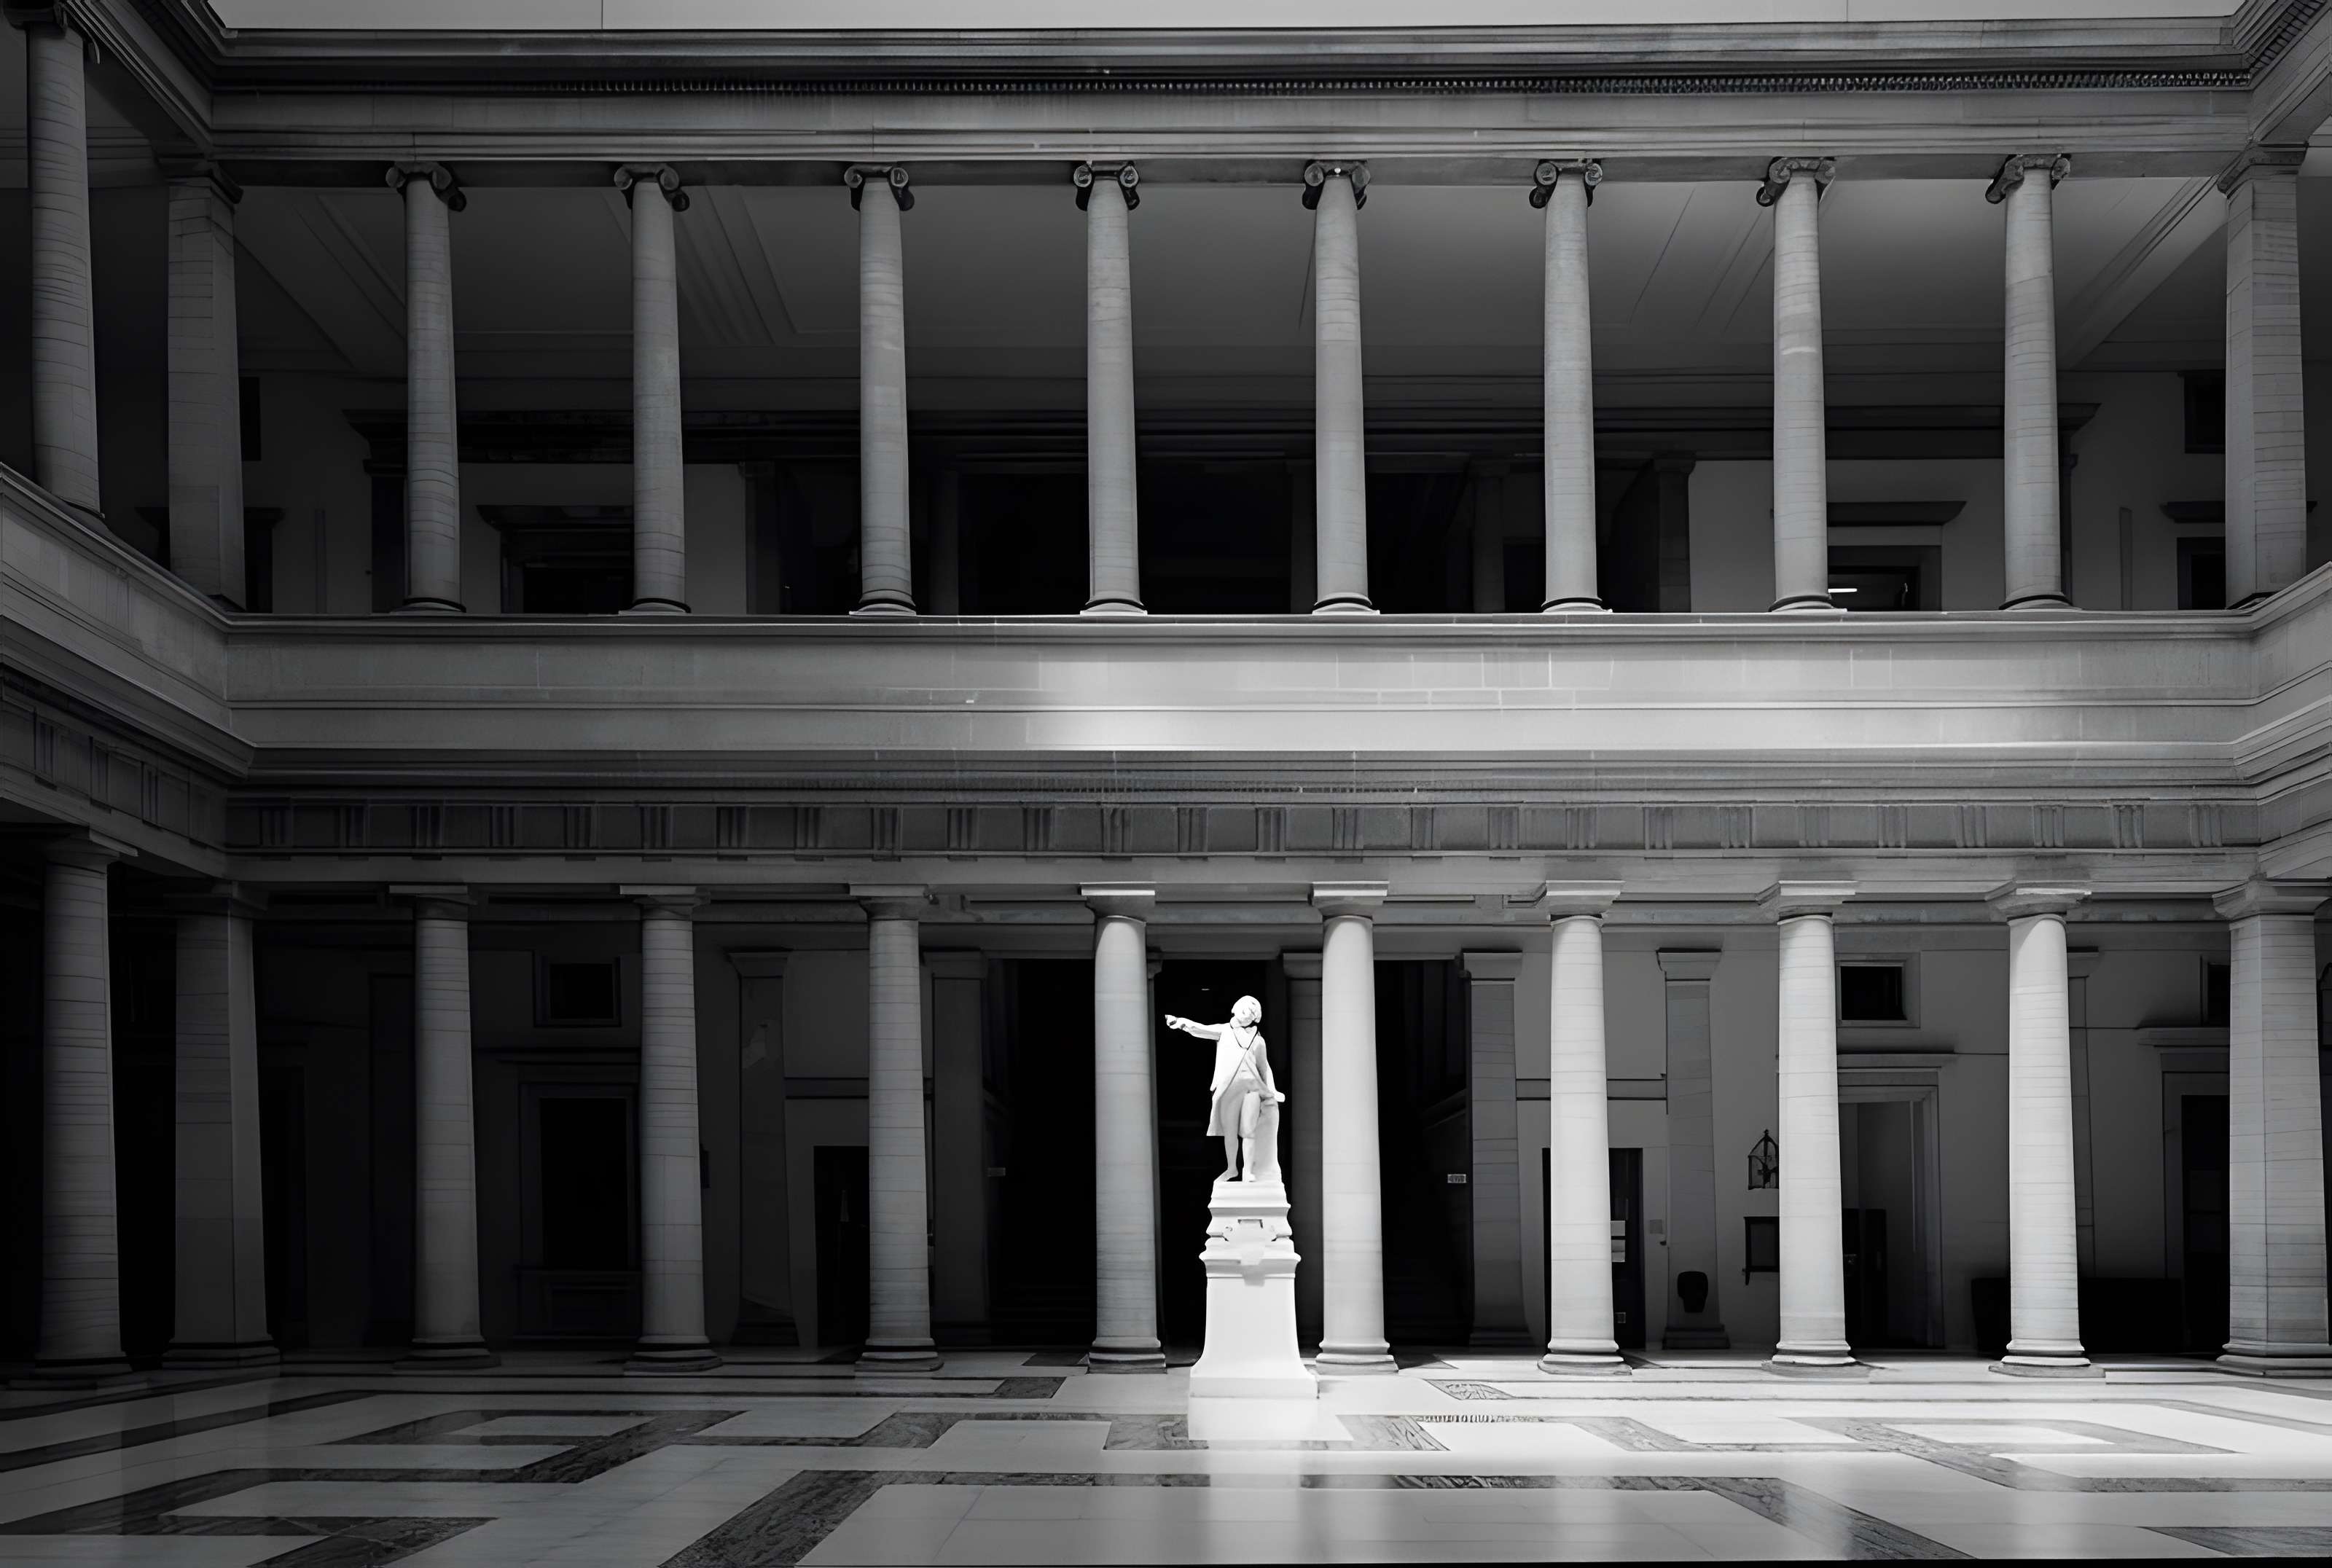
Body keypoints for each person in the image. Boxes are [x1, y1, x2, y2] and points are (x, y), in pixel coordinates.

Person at [1164, 995, 1285, 1183]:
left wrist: (1273, 1089)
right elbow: (1200, 1029)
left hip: (1252, 1089)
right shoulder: (1224, 1031)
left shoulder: (1258, 1040)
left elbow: (1264, 1067)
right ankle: (1231, 1169)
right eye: (1245, 1011)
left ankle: (1247, 1171)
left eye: (1251, 1014)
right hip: (1229, 1088)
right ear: (1236, 1009)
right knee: (1230, 1131)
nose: (1247, 1016)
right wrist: (1182, 1023)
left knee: (1249, 1130)